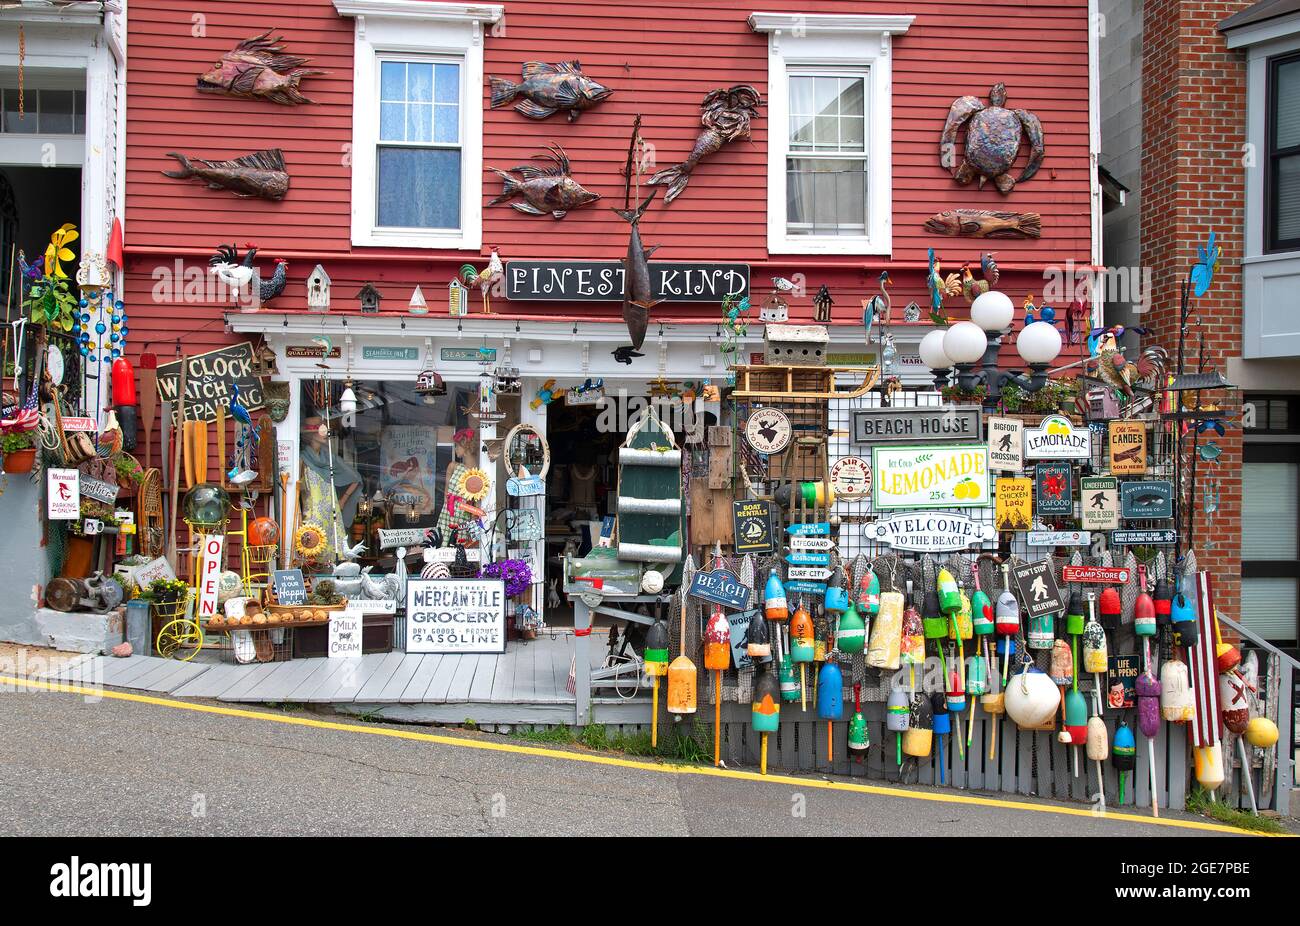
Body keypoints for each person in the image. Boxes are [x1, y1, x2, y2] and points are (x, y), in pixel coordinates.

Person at [300, 413, 362, 559]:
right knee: (312, 554)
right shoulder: (302, 459)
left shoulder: (330, 459)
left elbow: (355, 477)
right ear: (312, 435)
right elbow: (296, 489)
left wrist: (342, 500)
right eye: (322, 431)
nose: (326, 435)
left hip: (332, 514)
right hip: (313, 515)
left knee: (334, 556)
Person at [436, 428, 480, 546]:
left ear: (465, 447)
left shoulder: (478, 473)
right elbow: (446, 495)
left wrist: (473, 518)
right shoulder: (453, 466)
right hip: (447, 513)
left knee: (460, 549)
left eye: (457, 446)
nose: (455, 449)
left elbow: (476, 502)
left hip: (463, 515)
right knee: (442, 546)